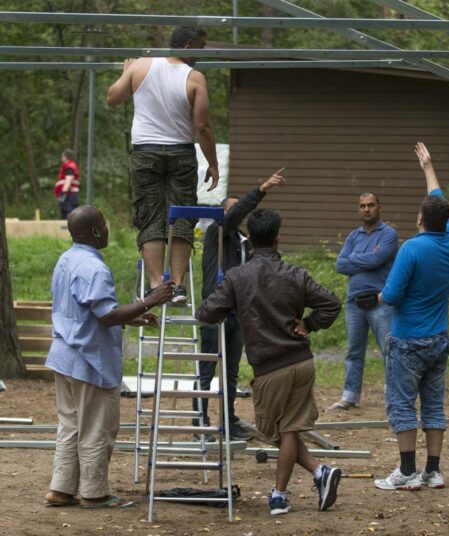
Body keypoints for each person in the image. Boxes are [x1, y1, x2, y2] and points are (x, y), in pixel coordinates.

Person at [196, 208, 343, 516]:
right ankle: (313, 476)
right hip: (301, 362)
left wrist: (228, 304)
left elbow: (207, 312)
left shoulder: (238, 277)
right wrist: (311, 324)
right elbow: (332, 303)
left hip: (269, 368)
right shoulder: (296, 274)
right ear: (278, 238)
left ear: (248, 239)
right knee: (288, 430)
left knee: (274, 431)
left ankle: (283, 493)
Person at [43, 205, 173, 509]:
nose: (108, 228)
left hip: (64, 355)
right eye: (104, 223)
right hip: (89, 360)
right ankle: (94, 492)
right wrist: (149, 301)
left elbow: (85, 311)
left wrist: (134, 316)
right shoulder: (94, 268)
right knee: (97, 427)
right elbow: (105, 316)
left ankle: (60, 489)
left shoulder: (67, 260)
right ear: (96, 231)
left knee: (71, 425)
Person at [106, 26, 218, 304]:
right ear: (189, 48)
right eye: (201, 49)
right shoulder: (194, 78)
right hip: (180, 152)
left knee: (150, 214)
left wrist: (125, 73)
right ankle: (177, 286)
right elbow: (202, 126)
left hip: (145, 152)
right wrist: (213, 164)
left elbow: (113, 99)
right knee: (181, 215)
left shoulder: (140, 66)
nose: (201, 56)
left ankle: (157, 285)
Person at [374, 142, 449, 491]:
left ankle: (407, 471)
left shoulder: (411, 248)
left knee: (402, 403)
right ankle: (433, 472)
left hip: (409, 339)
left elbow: (391, 296)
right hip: (439, 338)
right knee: (434, 405)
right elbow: (437, 197)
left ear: (420, 219)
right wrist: (428, 166)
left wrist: (378, 294)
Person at [193, 168, 285, 441]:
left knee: (230, 372)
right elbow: (232, 216)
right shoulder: (215, 234)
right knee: (207, 370)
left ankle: (228, 422)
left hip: (239, 315)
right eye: (233, 211)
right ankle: (200, 423)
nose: (238, 215)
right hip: (215, 311)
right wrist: (262, 188)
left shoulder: (246, 244)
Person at [327, 193, 398, 411]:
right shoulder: (353, 236)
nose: (366, 209)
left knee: (390, 351)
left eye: (370, 205)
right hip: (354, 303)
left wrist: (355, 258)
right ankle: (350, 396)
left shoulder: (388, 234)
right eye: (362, 206)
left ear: (379, 207)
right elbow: (340, 265)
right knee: (353, 351)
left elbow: (378, 259)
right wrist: (367, 259)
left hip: (381, 301)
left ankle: (394, 398)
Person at [54, 149, 80, 219]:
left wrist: (63, 193)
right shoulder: (69, 166)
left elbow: (69, 179)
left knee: (69, 214)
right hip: (69, 194)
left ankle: (69, 229)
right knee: (66, 214)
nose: (61, 158)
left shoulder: (69, 166)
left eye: (62, 156)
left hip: (69, 195)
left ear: (66, 156)